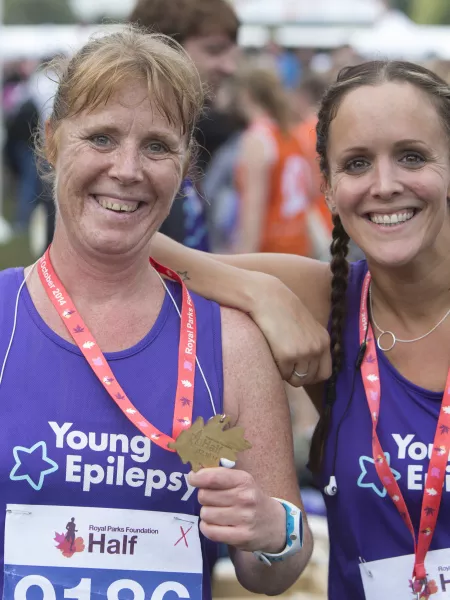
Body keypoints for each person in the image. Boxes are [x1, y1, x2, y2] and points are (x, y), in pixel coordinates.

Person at [0, 27, 313, 599]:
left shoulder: (233, 343)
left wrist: (273, 532)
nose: (127, 169)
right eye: (100, 137)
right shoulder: (4, 317)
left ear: (186, 163)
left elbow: (280, 566)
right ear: (50, 140)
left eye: (157, 146)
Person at [150, 59, 450, 598]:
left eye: (412, 156)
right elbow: (128, 246)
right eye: (357, 164)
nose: (385, 185)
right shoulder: (329, 300)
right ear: (329, 190)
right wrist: (259, 292)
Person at [129, 0, 240, 252]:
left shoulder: (182, 130)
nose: (229, 67)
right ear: (166, 47)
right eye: (214, 50)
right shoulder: (131, 146)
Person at [233, 65, 313, 256]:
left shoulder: (257, 138)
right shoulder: (291, 134)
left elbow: (253, 206)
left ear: (246, 94)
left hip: (269, 251)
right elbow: (310, 190)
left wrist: (244, 258)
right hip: (298, 244)